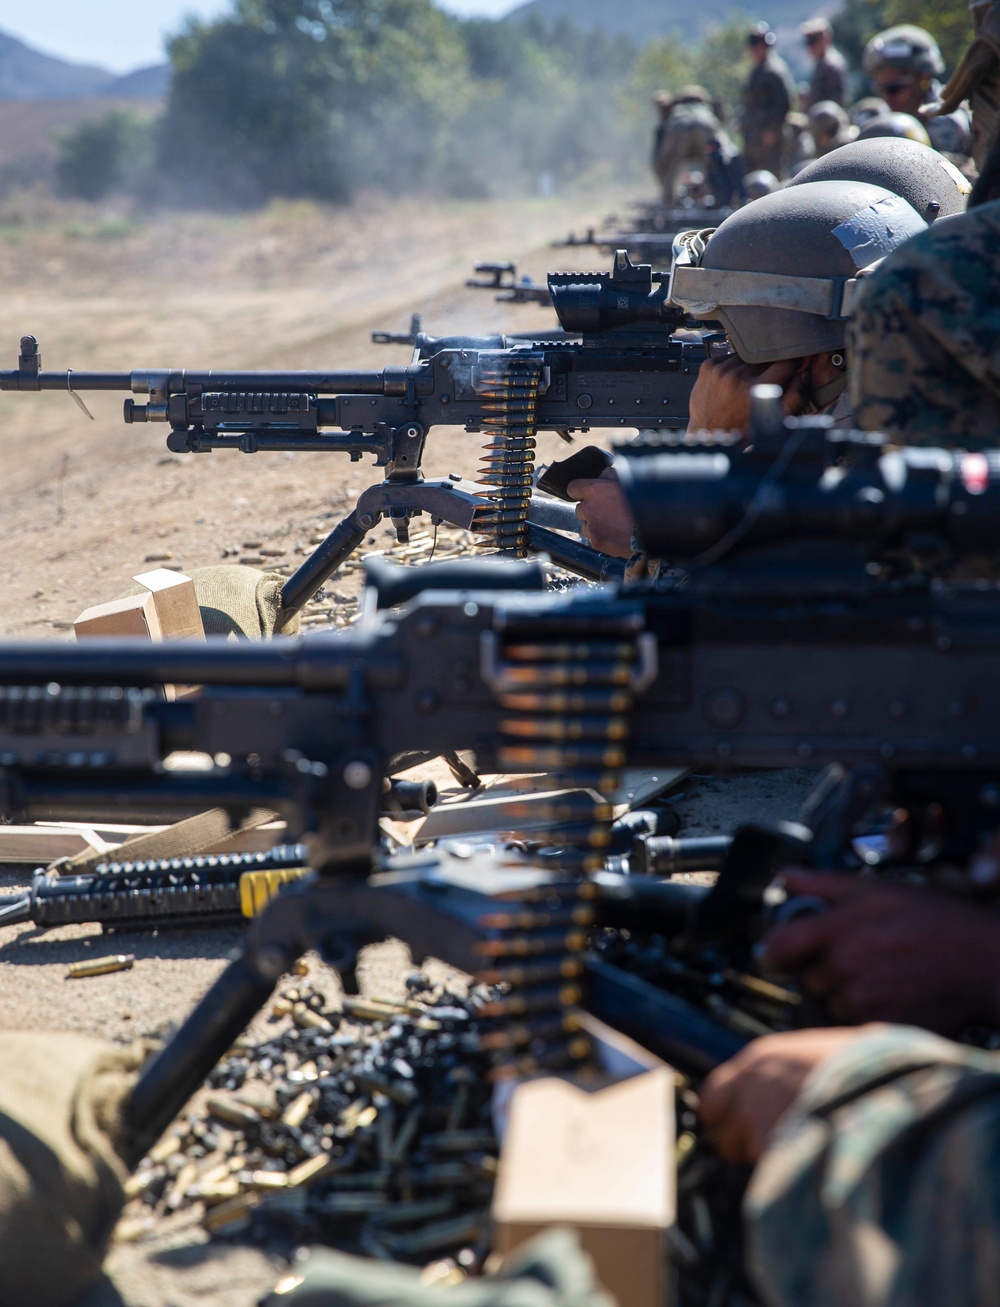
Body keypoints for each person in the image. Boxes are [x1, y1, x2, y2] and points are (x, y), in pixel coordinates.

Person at [568, 179, 928, 557]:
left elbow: (759, 604)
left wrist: (656, 522)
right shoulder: (925, 394)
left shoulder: (882, 464)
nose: (718, 366)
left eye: (731, 339)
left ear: (804, 357)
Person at [863, 24, 973, 164]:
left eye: (894, 88)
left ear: (923, 79)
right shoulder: (886, 116)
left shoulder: (946, 123)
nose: (887, 97)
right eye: (881, 89)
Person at [651, 86, 743, 209]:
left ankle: (668, 205)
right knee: (716, 163)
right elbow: (728, 156)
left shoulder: (676, 109)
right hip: (706, 125)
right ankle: (721, 202)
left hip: (678, 126)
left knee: (669, 167)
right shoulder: (706, 108)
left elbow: (660, 163)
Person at [741, 23, 797, 176]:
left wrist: (771, 130)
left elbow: (784, 102)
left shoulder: (774, 71)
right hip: (754, 138)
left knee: (771, 177)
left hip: (769, 139)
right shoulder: (757, 71)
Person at [801, 17, 848, 110]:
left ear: (826, 39)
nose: (811, 46)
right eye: (808, 41)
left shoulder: (831, 65)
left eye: (814, 40)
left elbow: (836, 101)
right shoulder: (821, 63)